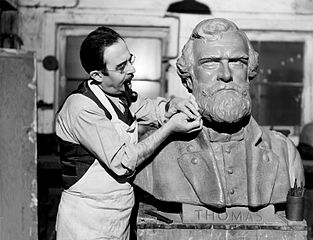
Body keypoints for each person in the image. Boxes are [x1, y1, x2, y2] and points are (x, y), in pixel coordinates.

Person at [134, 18, 304, 208]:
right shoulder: (156, 155)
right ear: (189, 78)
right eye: (210, 63)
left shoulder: (284, 152)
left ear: (250, 72)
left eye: (237, 62)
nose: (225, 74)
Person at [55, 26, 202, 240]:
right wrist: (169, 129)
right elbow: (123, 163)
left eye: (130, 59)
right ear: (97, 75)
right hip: (86, 221)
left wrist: (173, 105)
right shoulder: (83, 108)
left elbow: (150, 109)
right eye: (122, 66)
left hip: (118, 214)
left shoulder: (118, 93)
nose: (132, 69)